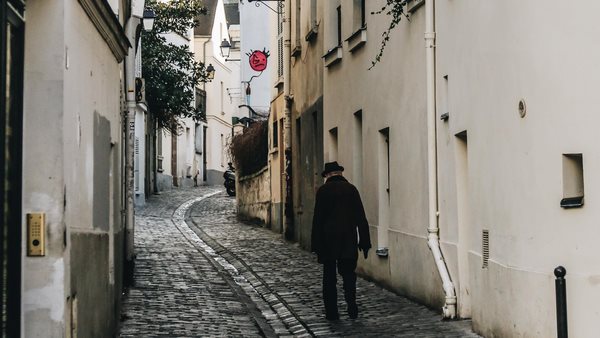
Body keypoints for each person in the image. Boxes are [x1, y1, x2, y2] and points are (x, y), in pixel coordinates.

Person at [311, 161, 371, 320]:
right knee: (348, 275)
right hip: (348, 239)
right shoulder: (351, 189)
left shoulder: (323, 191)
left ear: (328, 175)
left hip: (328, 241)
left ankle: (332, 312)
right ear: (340, 174)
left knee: (329, 277)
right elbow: (361, 217)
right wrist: (364, 242)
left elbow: (318, 219)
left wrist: (316, 244)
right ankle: (351, 303)